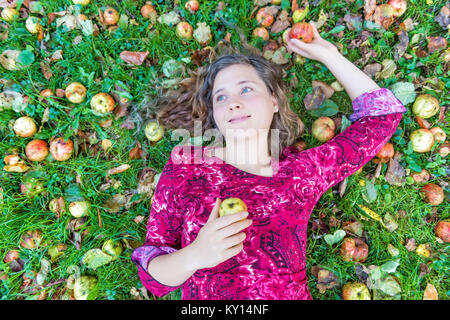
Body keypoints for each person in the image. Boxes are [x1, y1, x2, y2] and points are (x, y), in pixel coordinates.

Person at [131, 22, 407, 299]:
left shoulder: (302, 173)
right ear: (215, 114)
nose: (233, 102)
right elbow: (154, 279)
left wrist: (329, 54)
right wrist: (195, 256)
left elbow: (382, 117)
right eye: (221, 96)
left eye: (247, 89)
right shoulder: (187, 167)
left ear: (274, 101)